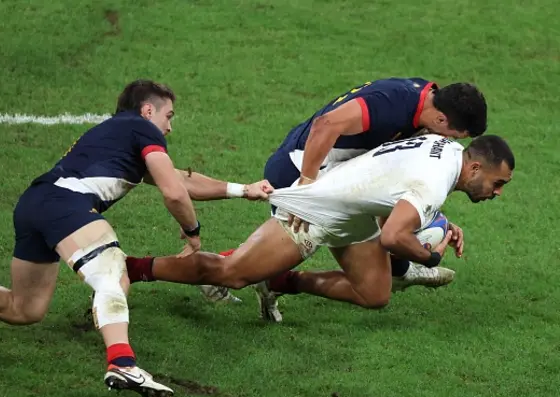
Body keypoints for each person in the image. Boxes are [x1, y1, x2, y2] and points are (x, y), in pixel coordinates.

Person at [0, 79, 273, 397]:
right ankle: (122, 362)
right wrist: (193, 232)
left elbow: (181, 179)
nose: (170, 125)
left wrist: (244, 190)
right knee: (113, 275)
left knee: (24, 307)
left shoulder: (117, 135)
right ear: (147, 110)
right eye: (168, 115)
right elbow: (174, 193)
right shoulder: (140, 128)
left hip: (34, 204)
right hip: (63, 204)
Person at [124, 134, 515, 324]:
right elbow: (395, 236)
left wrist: (440, 222)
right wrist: (429, 255)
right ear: (476, 168)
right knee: (231, 273)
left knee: (374, 293)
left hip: (355, 210)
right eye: (498, 184)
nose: (497, 194)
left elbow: (400, 188)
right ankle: (133, 267)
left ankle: (280, 283)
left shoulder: (445, 148)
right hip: (318, 210)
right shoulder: (434, 183)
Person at [190, 77, 489, 305]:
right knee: (287, 249)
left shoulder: (427, 100)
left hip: (337, 173)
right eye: (455, 135)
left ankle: (401, 270)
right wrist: (306, 189)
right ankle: (204, 267)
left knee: (374, 265)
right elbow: (326, 125)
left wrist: (438, 218)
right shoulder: (394, 103)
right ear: (441, 120)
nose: (453, 143)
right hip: (300, 167)